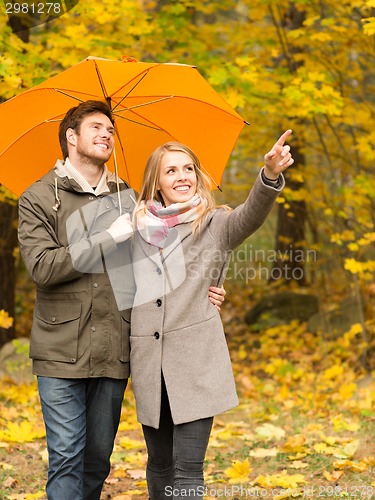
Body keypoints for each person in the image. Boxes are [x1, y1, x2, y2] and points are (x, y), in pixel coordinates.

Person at [17, 100, 225, 500]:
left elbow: (167, 262)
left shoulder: (130, 200)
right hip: (60, 350)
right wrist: (109, 236)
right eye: (96, 127)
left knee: (97, 459)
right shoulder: (39, 197)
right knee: (65, 457)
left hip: (115, 347)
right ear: (71, 137)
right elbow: (43, 267)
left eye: (111, 129)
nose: (106, 134)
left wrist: (208, 290)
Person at [129, 132, 294, 499]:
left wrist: (267, 177)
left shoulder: (215, 223)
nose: (182, 176)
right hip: (149, 366)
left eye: (189, 168)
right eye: (171, 171)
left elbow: (250, 216)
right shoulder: (133, 230)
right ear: (156, 182)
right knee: (159, 464)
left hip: (195, 361)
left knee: (188, 470)